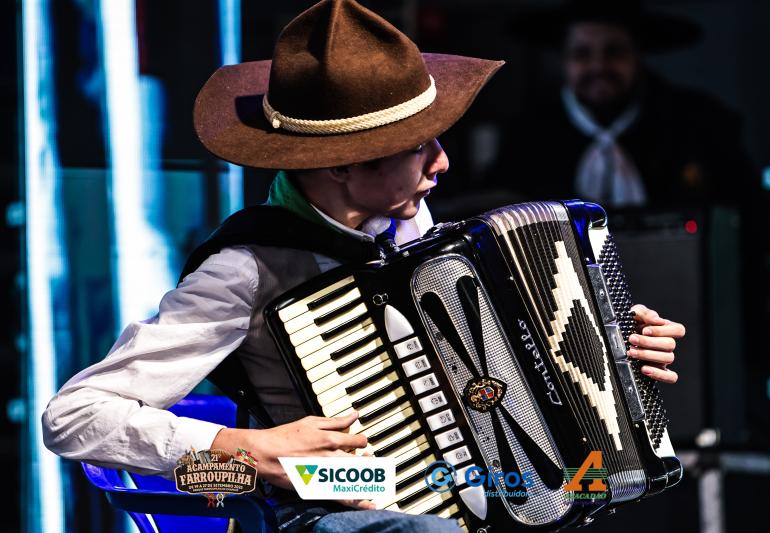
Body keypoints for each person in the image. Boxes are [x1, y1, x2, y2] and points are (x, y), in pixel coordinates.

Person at [41, 1, 685, 531]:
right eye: (417, 147)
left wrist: (605, 348)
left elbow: (480, 371)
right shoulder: (246, 269)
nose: (443, 162)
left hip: (477, 490)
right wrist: (246, 452)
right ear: (341, 165)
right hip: (328, 509)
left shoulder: (410, 225)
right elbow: (74, 416)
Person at [493, 0, 755, 208]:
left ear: (637, 55)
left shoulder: (699, 124)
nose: (598, 66)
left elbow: (750, 217)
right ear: (564, 61)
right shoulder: (528, 134)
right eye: (582, 54)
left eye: (614, 52)